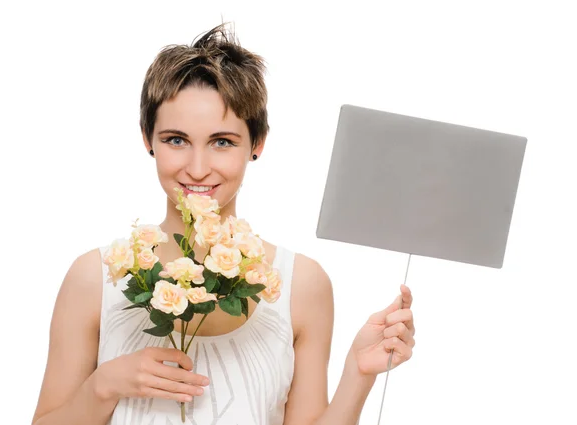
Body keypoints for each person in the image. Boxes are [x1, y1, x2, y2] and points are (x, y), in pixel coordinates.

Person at [31, 23, 415, 425]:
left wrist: (358, 373)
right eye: (176, 140)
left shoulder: (302, 284)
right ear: (148, 138)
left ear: (257, 143)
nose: (197, 169)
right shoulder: (94, 278)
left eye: (222, 142)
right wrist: (103, 385)